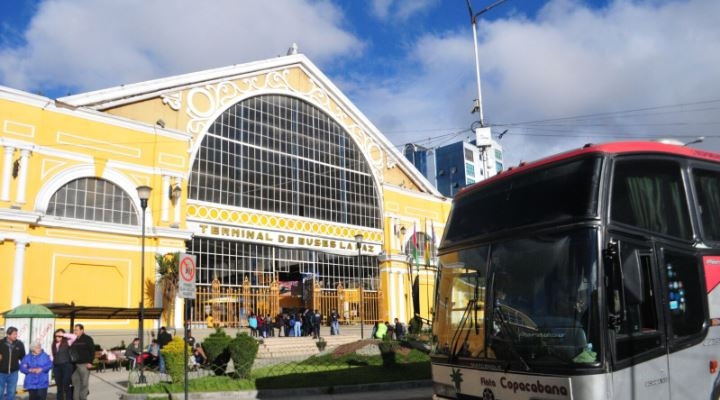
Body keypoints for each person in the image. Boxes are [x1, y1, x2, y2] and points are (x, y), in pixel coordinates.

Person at [69, 323, 94, 400]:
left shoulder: (88, 339)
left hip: (84, 365)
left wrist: (90, 362)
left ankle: (83, 398)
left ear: (82, 330)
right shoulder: (74, 339)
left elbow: (92, 351)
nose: (75, 331)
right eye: (74, 330)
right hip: (75, 366)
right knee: (76, 384)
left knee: (84, 384)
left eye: (77, 330)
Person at [0, 326, 26, 400]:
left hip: (13, 373)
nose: (16, 335)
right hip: (1, 372)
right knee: (0, 392)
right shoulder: (0, 343)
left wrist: (26, 367)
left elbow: (23, 358)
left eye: (16, 334)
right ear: (8, 335)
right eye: (14, 334)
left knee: (11, 392)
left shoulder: (19, 344)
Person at [51, 329, 73, 400]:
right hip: (57, 366)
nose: (57, 337)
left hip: (66, 365)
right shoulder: (53, 344)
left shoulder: (68, 342)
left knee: (66, 385)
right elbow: (52, 356)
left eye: (59, 336)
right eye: (56, 336)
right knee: (59, 386)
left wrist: (63, 334)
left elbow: (74, 337)